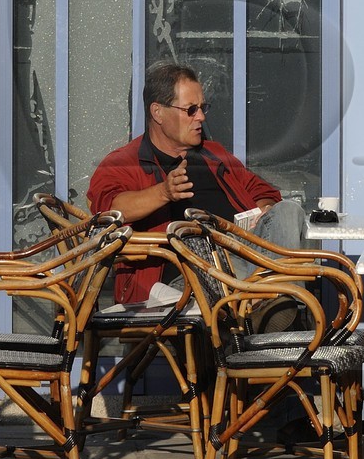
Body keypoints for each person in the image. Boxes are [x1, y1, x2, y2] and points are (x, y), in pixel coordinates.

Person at [87, 60, 307, 306]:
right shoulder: (125, 161)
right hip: (185, 280)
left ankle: (273, 305)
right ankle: (280, 307)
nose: (201, 117)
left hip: (243, 260)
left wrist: (262, 210)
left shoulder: (212, 154)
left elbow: (263, 191)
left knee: (289, 211)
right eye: (191, 109)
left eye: (203, 107)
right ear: (157, 112)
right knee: (256, 270)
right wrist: (164, 192)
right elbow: (109, 211)